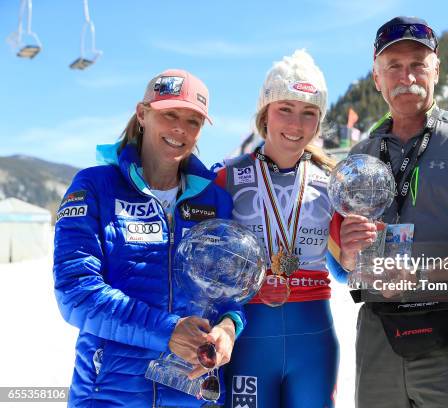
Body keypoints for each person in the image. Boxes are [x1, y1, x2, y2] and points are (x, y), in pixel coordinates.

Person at [326, 17, 448, 408]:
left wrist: (425, 270)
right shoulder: (359, 157)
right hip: (378, 335)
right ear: (377, 78)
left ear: (436, 68)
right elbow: (341, 263)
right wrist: (349, 256)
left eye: (418, 64)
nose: (407, 76)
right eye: (394, 66)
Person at [53, 69, 244, 407]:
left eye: (193, 121)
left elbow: (227, 291)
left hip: (193, 394)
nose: (180, 129)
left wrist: (229, 326)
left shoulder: (214, 201)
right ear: (143, 114)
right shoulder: (95, 187)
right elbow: (75, 292)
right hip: (109, 394)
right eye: (169, 114)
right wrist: (166, 329)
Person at [215, 49, 343, 408]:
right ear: (264, 114)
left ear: (318, 123)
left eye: (309, 114)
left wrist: (359, 247)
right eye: (284, 109)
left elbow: (349, 268)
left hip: (313, 338)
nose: (296, 124)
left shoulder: (332, 183)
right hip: (249, 335)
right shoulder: (227, 177)